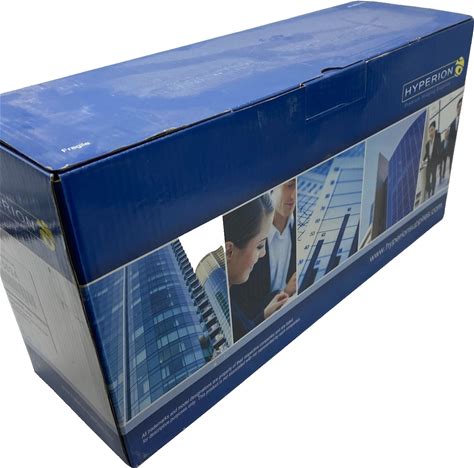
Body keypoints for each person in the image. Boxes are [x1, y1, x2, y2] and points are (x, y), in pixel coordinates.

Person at [230, 180, 297, 331]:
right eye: (289, 185)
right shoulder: (248, 229)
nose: (294, 195)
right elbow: (241, 307)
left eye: (299, 186)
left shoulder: (299, 225)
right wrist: (284, 292)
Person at [423, 121, 442, 199]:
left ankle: (433, 191)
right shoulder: (427, 144)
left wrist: (438, 161)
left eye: (432, 130)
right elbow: (427, 154)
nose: (430, 132)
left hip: (434, 162)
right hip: (429, 162)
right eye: (429, 131)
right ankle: (429, 190)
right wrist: (423, 160)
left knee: (433, 177)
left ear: (434, 130)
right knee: (427, 178)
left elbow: (439, 150)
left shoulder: (437, 140)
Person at [444, 97, 462, 177]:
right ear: (457, 108)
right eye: (459, 106)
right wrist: (446, 138)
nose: (460, 108)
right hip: (452, 153)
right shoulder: (451, 125)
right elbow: (448, 140)